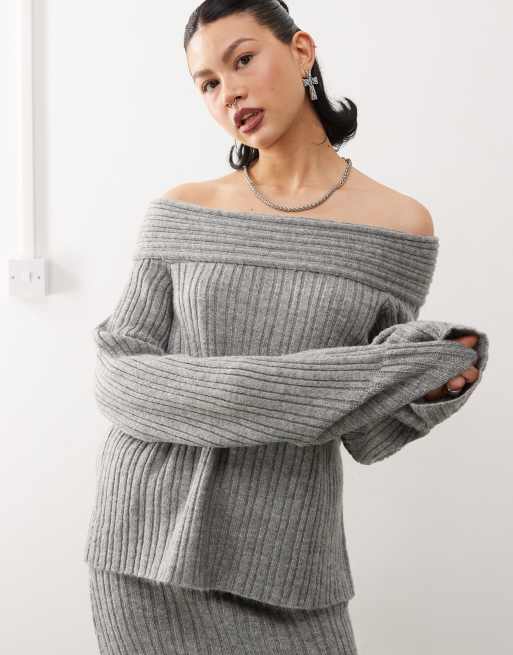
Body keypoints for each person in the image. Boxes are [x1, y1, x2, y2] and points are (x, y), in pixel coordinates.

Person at [85, 2, 488, 654]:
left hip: (289, 557)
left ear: (301, 51)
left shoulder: (399, 228)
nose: (228, 92)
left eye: (242, 59)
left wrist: (422, 387)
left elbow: (362, 429)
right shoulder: (182, 211)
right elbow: (118, 381)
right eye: (207, 83)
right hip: (144, 543)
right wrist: (324, 385)